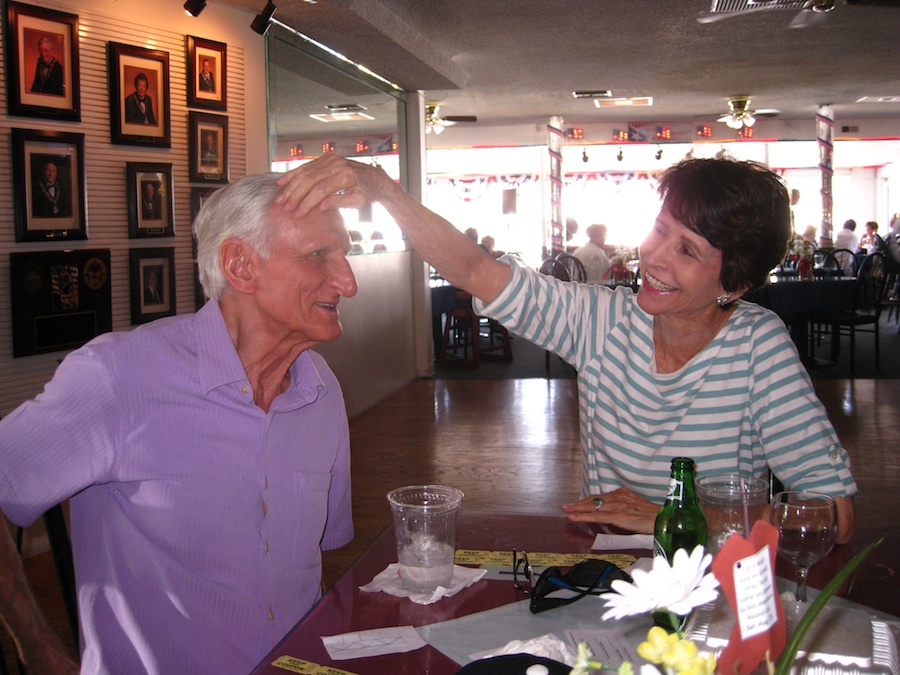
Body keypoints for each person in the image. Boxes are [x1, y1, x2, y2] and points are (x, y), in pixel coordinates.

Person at [276, 154, 857, 545]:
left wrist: (669, 518)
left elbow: (835, 514)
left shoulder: (758, 348)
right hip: (606, 563)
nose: (654, 257)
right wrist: (381, 188)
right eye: (659, 229)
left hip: (712, 575)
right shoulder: (603, 321)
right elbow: (478, 268)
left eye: (687, 250)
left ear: (735, 281)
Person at [0, 172, 357, 673]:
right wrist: (38, 648)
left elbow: (310, 563)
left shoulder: (318, 387)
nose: (348, 282)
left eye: (346, 253)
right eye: (318, 255)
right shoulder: (119, 378)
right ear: (241, 265)